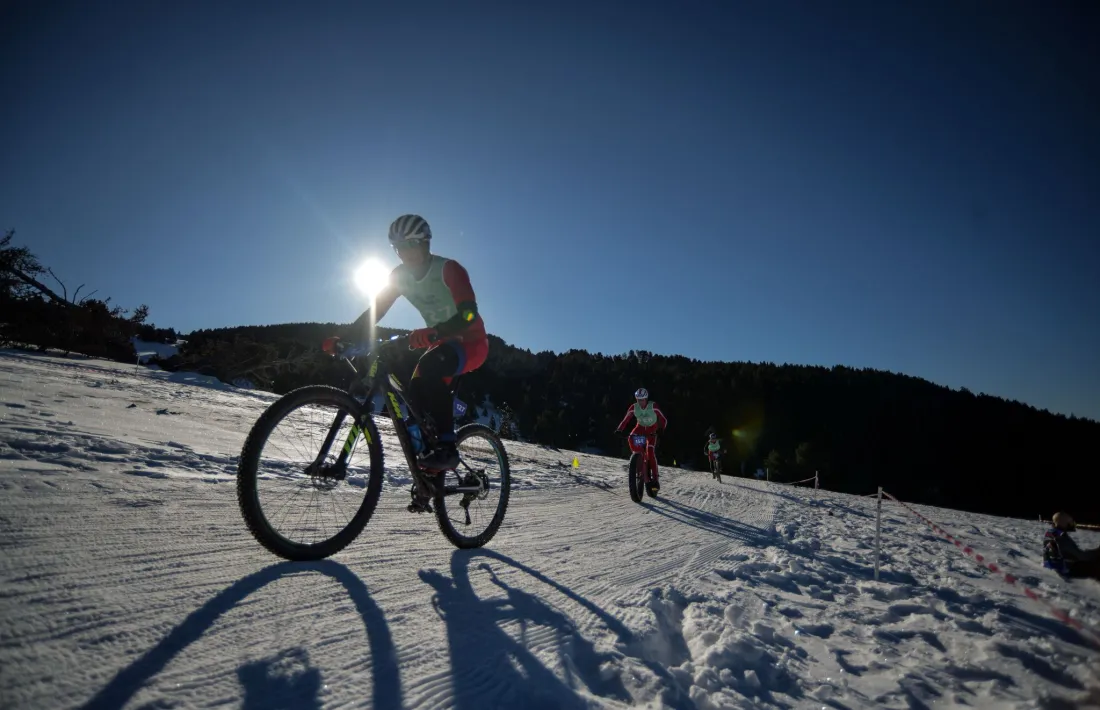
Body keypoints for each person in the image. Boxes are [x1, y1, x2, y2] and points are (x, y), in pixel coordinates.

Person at [328, 214, 488, 472]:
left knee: (432, 370)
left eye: (412, 244)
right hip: (440, 344)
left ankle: (447, 448)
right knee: (414, 392)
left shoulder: (449, 269)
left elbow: (469, 313)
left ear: (426, 243)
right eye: (399, 247)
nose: (406, 252)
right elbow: (376, 310)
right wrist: (345, 337)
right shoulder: (399, 276)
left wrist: (436, 331)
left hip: (471, 343)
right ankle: (428, 468)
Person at [614, 387, 668, 491]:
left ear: (646, 399)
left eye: (642, 400)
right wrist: (619, 429)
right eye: (638, 400)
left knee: (651, 451)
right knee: (631, 438)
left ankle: (655, 479)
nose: (640, 402)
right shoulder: (634, 407)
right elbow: (625, 420)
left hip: (652, 429)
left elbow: (663, 420)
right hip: (640, 428)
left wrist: (661, 429)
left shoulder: (653, 406)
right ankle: (639, 458)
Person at [1043, 512, 1100, 580]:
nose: (1072, 524)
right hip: (1066, 571)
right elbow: (1080, 556)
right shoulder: (1061, 538)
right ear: (1064, 523)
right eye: (1070, 521)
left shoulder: (1051, 533)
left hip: (1054, 567)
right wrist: (1097, 551)